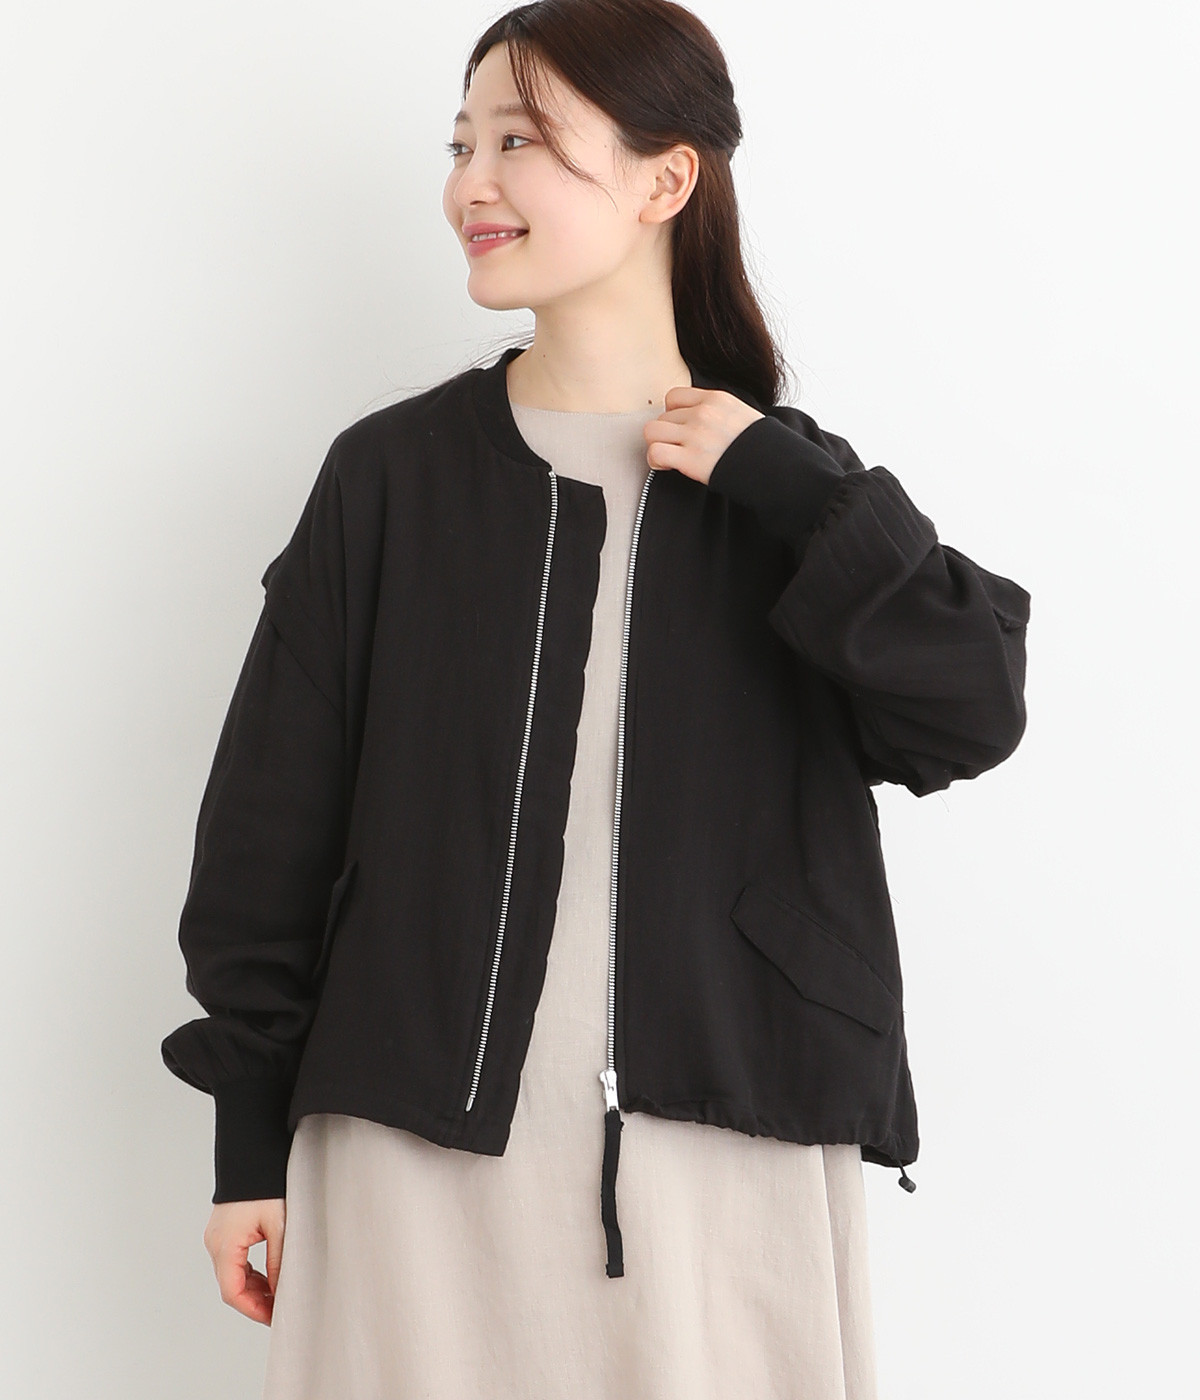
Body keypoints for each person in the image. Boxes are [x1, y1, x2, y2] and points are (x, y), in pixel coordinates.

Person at [161, 3, 1031, 1396]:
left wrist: (790, 488)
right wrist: (245, 1143)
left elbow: (971, 708)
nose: (472, 182)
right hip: (410, 1151)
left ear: (664, 178)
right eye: (461, 144)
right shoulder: (392, 480)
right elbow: (271, 827)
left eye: (521, 140)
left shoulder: (788, 495)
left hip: (720, 1148)